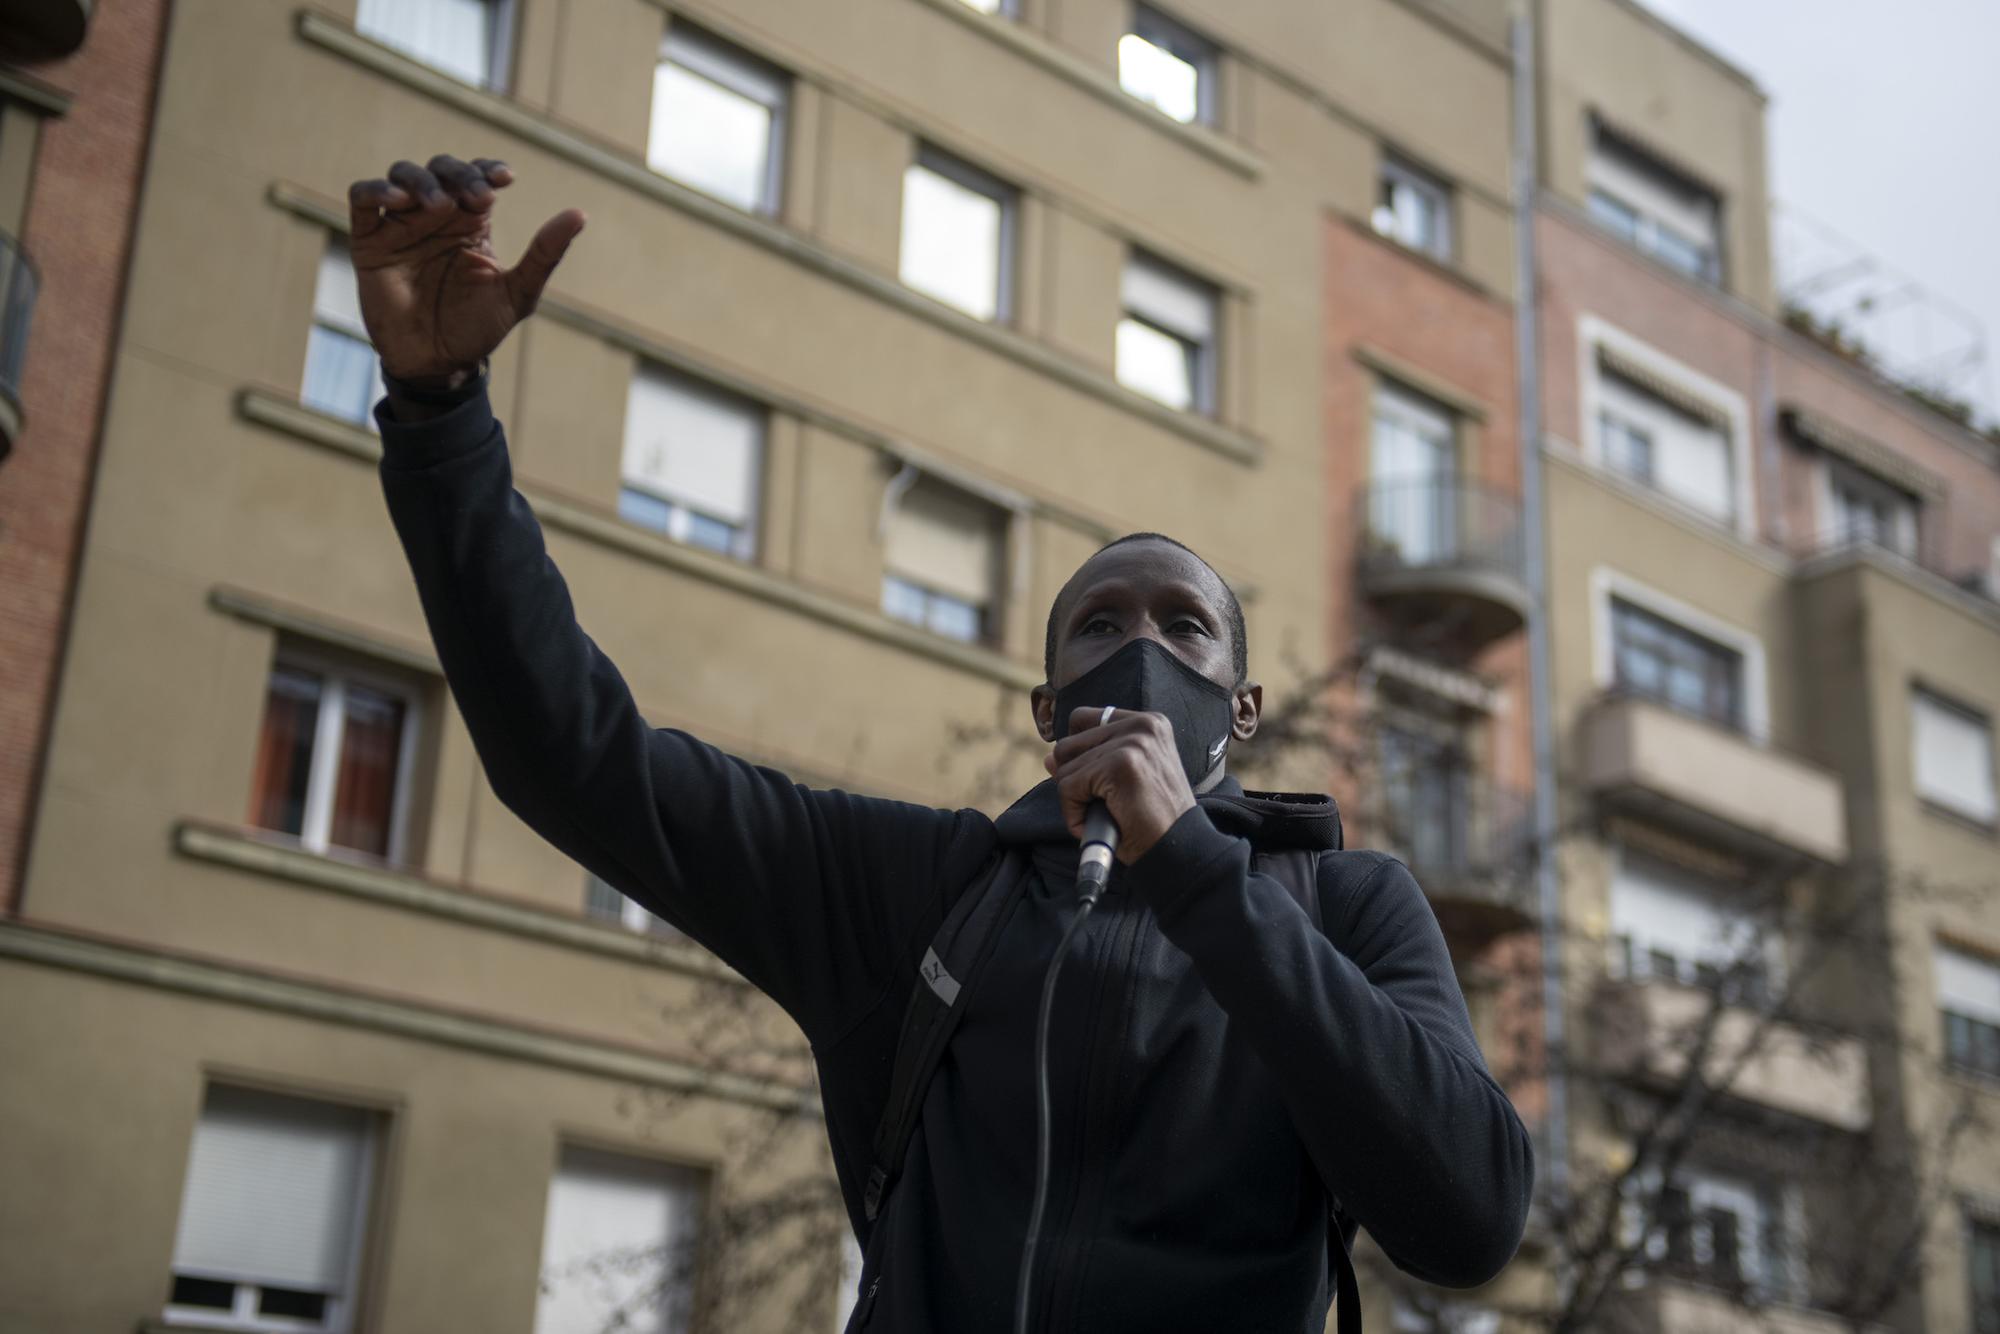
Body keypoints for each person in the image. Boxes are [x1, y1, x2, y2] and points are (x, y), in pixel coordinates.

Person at [353, 154, 1533, 1334]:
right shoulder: (922, 889)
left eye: (1184, 628)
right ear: (1046, 709)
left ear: (1241, 708)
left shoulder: (1348, 906)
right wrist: (439, 414)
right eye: (1099, 625)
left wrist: (1194, 871)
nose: (1139, 647)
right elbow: (580, 762)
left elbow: (1468, 1217)